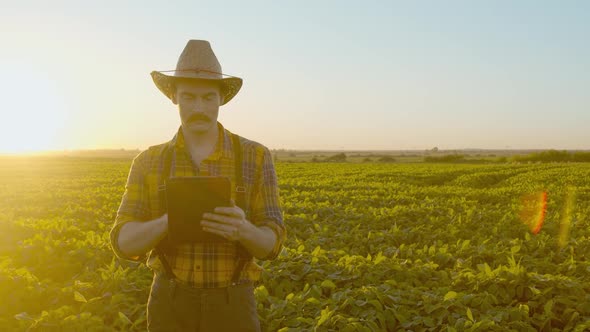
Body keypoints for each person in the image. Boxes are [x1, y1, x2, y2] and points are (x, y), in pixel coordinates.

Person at [109, 39, 285, 332]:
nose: (199, 107)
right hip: (170, 301)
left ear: (221, 100)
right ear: (174, 98)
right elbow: (123, 243)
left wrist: (243, 229)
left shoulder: (255, 156)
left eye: (208, 98)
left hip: (234, 303)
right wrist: (171, 220)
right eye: (189, 97)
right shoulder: (148, 161)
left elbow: (273, 244)